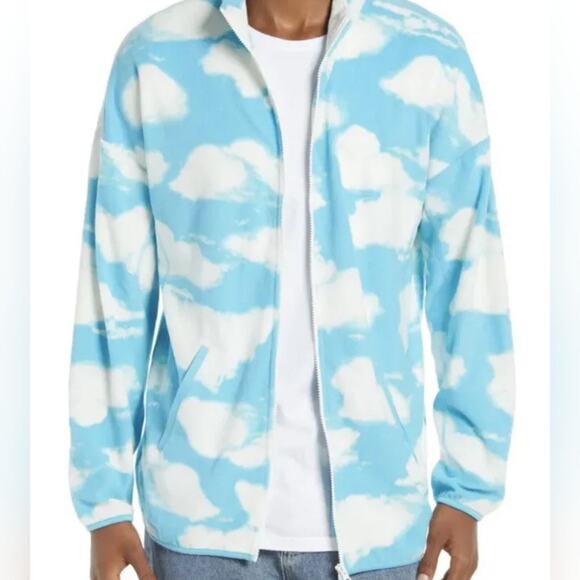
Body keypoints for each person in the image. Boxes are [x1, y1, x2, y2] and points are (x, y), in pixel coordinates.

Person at [68, 0, 516, 578]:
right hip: (199, 524)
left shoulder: (427, 57)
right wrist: (104, 501)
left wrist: (468, 487)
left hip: (378, 524)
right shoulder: (155, 57)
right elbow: (114, 290)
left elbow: (470, 280)